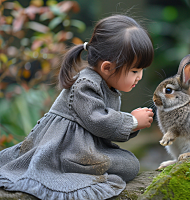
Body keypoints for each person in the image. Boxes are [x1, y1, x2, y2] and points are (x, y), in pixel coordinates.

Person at [0, 14, 154, 200]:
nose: (140, 77)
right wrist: (132, 121)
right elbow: (98, 120)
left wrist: (132, 123)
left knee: (130, 165)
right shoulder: (85, 84)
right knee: (129, 165)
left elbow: (103, 123)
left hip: (84, 146)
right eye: (135, 71)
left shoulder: (106, 83)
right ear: (107, 67)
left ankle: (83, 164)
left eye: (141, 70)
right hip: (64, 148)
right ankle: (70, 166)